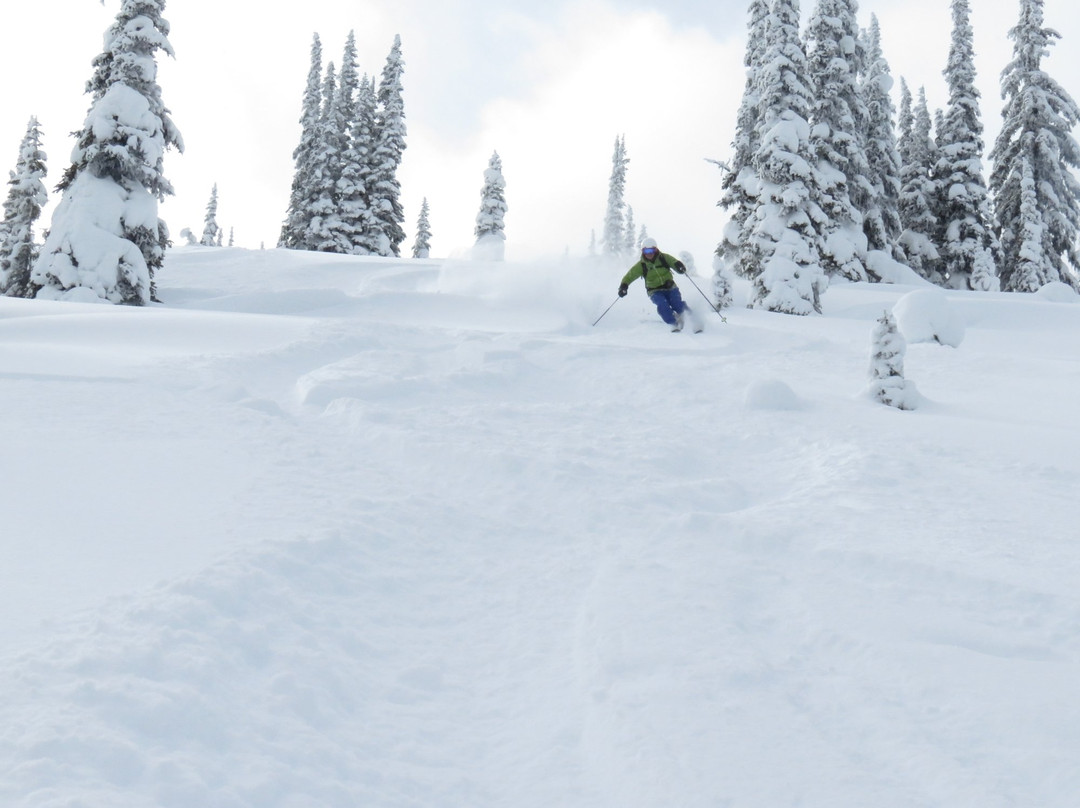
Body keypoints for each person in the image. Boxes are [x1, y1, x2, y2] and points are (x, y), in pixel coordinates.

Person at [618, 237, 695, 332]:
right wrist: (624, 286)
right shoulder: (642, 265)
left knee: (677, 304)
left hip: (670, 287)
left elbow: (673, 262)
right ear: (643, 251)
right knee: (663, 305)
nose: (649, 253)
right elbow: (630, 275)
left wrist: (679, 266)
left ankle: (693, 320)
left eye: (651, 250)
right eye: (646, 251)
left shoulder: (664, 258)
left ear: (655, 250)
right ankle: (674, 322)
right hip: (655, 291)